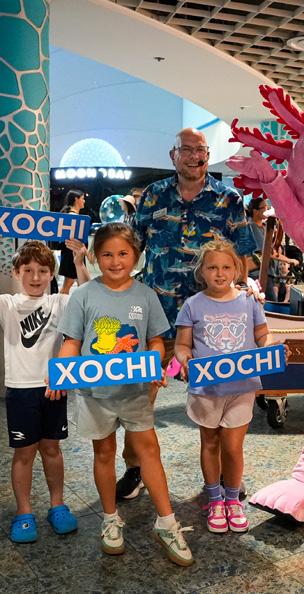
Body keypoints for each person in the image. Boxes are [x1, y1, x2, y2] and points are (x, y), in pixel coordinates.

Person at [115, 128, 257, 500]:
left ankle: (227, 476)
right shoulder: (154, 195)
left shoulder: (227, 199)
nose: (196, 156)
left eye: (201, 150)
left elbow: (242, 254)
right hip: (157, 318)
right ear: (173, 155)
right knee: (139, 395)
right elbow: (133, 246)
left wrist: (246, 290)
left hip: (214, 322)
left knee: (221, 399)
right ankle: (135, 468)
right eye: (188, 150)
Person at [55, 223, 193, 567]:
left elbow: (155, 340)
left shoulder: (145, 295)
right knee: (103, 453)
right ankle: (110, 518)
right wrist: (60, 372)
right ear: (94, 256)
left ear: (136, 256)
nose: (115, 261)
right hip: (94, 394)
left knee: (149, 451)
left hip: (134, 393)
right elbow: (71, 341)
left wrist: (155, 364)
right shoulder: (83, 295)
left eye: (122, 253)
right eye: (107, 254)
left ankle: (167, 522)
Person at [174, 239, 277, 534]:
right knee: (209, 443)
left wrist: (267, 349)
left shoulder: (249, 302)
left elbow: (262, 334)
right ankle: (215, 499)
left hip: (241, 387)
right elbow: (182, 345)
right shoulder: (192, 305)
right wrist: (185, 360)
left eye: (226, 267)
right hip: (206, 389)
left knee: (232, 447)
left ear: (236, 269)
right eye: (212, 268)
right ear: (202, 271)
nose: (219, 273)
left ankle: (232, 499)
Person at [2, 240, 88, 543]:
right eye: (28, 270)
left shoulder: (59, 303)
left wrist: (80, 263)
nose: (35, 277)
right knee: (24, 453)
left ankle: (57, 505)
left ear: (52, 274)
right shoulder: (7, 304)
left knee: (52, 449)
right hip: (20, 391)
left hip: (54, 388)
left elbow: (88, 295)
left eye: (42, 270)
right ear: (16, 272)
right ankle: (24, 512)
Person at [57, 189, 87, 295]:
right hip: (72, 255)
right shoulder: (73, 216)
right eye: (83, 198)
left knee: (81, 286)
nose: (84, 201)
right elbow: (75, 240)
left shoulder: (70, 215)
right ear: (76, 199)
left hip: (73, 254)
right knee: (69, 286)